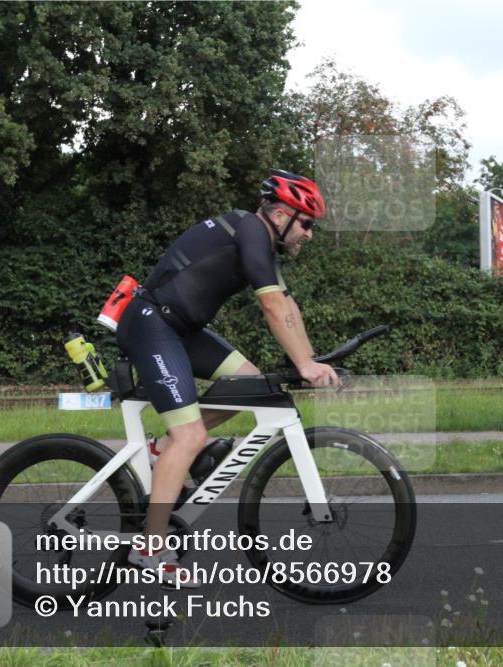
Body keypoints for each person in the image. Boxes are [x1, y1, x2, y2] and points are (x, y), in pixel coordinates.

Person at [116, 169, 339, 587]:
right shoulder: (252, 230)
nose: (309, 234)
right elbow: (272, 308)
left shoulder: (257, 238)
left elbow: (287, 306)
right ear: (279, 213)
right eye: (306, 223)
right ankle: (150, 547)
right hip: (152, 324)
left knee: (250, 385)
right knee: (191, 437)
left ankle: (159, 451)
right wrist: (306, 367)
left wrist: (311, 360)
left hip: (181, 328)